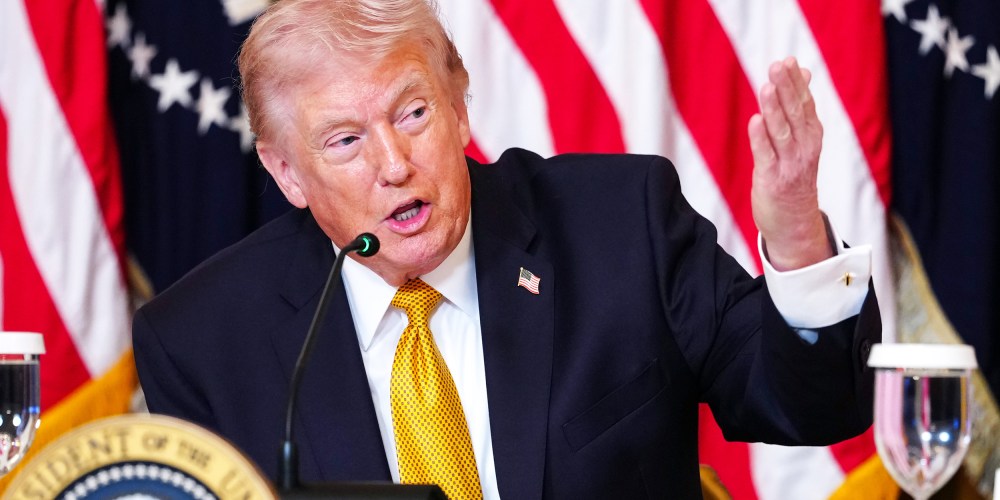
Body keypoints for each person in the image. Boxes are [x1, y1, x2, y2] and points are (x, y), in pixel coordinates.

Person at [132, 0, 881, 498]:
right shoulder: (202, 340)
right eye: (345, 140)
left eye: (414, 112)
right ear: (287, 172)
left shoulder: (619, 228)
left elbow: (812, 408)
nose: (393, 164)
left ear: (460, 109)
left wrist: (794, 239)